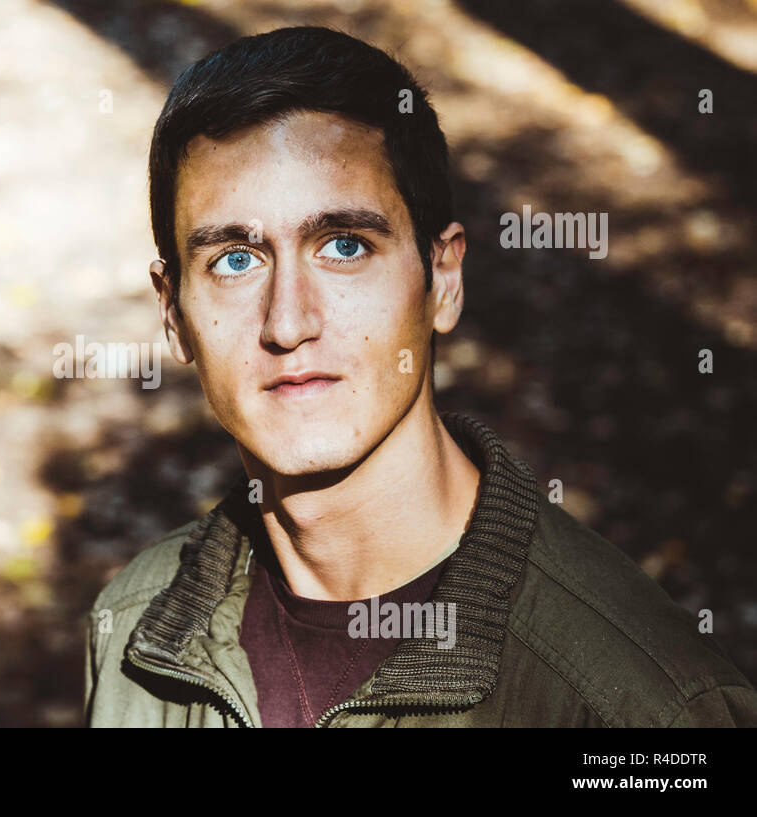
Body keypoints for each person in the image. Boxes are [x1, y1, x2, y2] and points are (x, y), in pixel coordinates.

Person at [83, 26, 757, 727]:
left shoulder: (643, 708)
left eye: (344, 246)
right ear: (174, 312)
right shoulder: (133, 632)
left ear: (443, 280)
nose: (288, 323)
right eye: (234, 260)